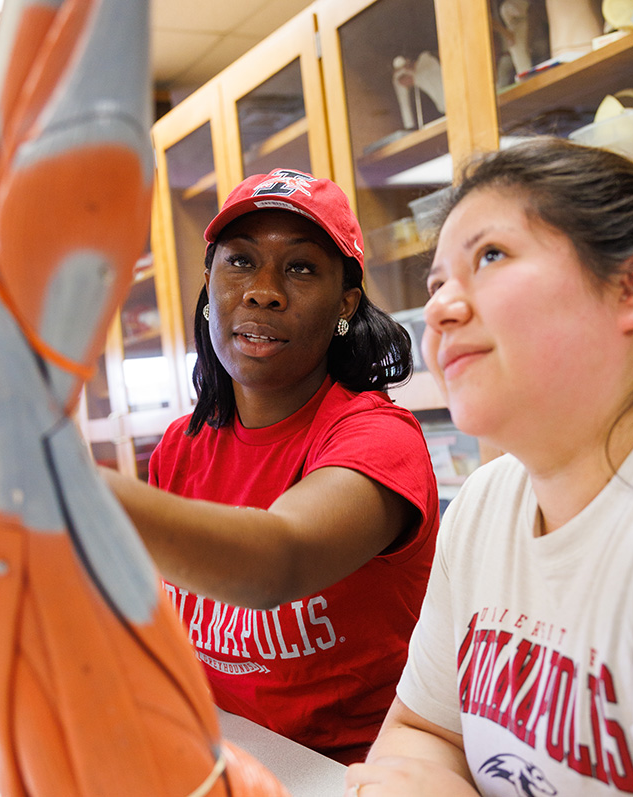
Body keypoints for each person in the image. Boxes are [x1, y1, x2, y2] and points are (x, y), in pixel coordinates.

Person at [345, 137, 633, 796]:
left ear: (632, 288)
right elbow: (424, 731)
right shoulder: (486, 502)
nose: (439, 308)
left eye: (491, 256)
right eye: (436, 284)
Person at [101, 167, 439, 765]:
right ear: (208, 286)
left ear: (346, 303)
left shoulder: (378, 438)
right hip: (224, 759)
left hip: (352, 775)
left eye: (301, 267)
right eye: (239, 261)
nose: (264, 290)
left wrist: (66, 484)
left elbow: (279, 560)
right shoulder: (184, 445)